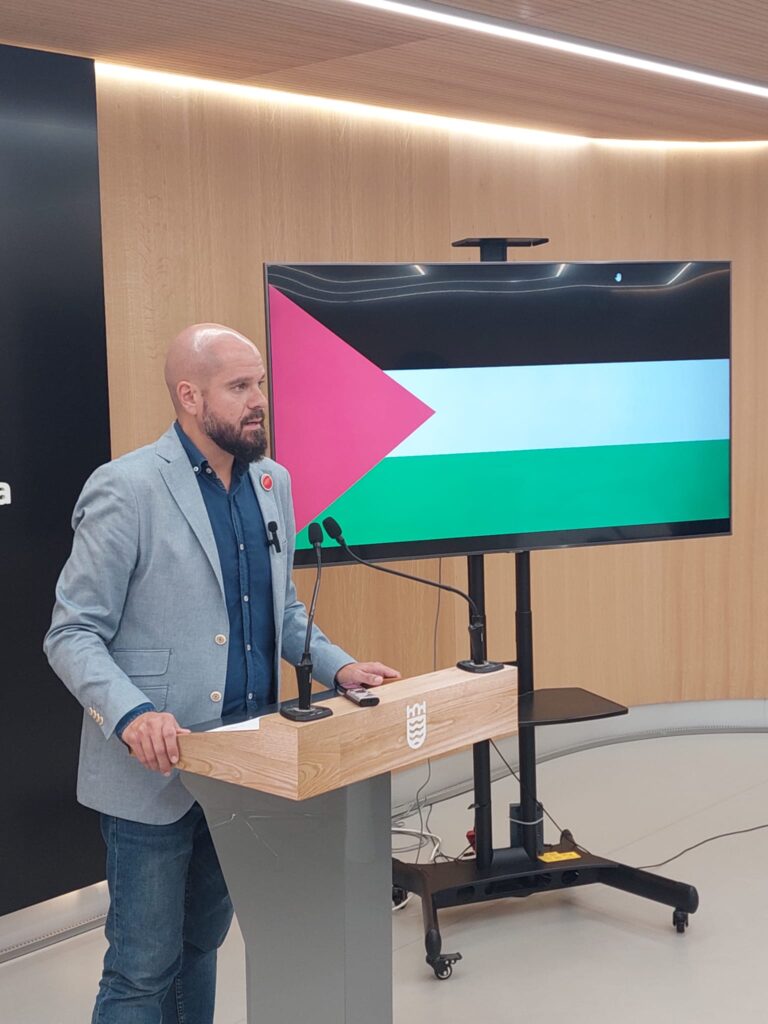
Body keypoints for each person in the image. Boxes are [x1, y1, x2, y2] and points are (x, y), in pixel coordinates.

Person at [44, 323, 400, 1024]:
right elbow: (71, 632)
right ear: (189, 396)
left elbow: (281, 610)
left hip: (244, 769)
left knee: (201, 946)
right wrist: (131, 714)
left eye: (259, 383)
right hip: (153, 772)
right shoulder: (126, 488)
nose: (258, 399)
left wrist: (341, 668)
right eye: (239, 387)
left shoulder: (272, 482)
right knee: (143, 969)